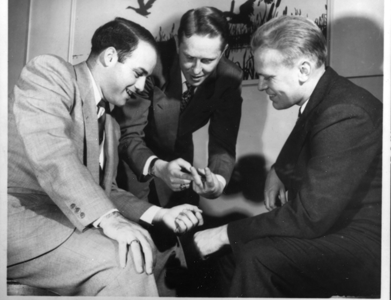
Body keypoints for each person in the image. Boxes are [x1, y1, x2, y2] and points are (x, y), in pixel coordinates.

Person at [7, 17, 203, 297]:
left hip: (61, 219)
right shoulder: (50, 73)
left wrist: (161, 214)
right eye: (138, 72)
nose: (142, 85)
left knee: (152, 251)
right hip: (16, 217)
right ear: (110, 57)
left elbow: (104, 191)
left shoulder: (109, 125)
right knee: (128, 261)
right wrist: (109, 219)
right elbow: (52, 153)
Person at [193, 15, 382, 297]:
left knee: (256, 255)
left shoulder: (345, 113)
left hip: (365, 243)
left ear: (303, 69)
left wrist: (224, 233)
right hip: (337, 227)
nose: (260, 85)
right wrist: (278, 169)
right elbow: (305, 130)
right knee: (235, 253)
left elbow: (308, 217)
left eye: (268, 77)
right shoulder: (326, 95)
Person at [114, 6, 243, 209]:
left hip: (179, 155)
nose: (197, 70)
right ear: (176, 43)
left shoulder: (229, 78)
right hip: (130, 157)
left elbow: (223, 144)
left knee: (176, 227)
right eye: (189, 58)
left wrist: (217, 182)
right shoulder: (151, 63)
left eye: (208, 60)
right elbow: (128, 134)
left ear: (223, 52)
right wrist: (158, 167)